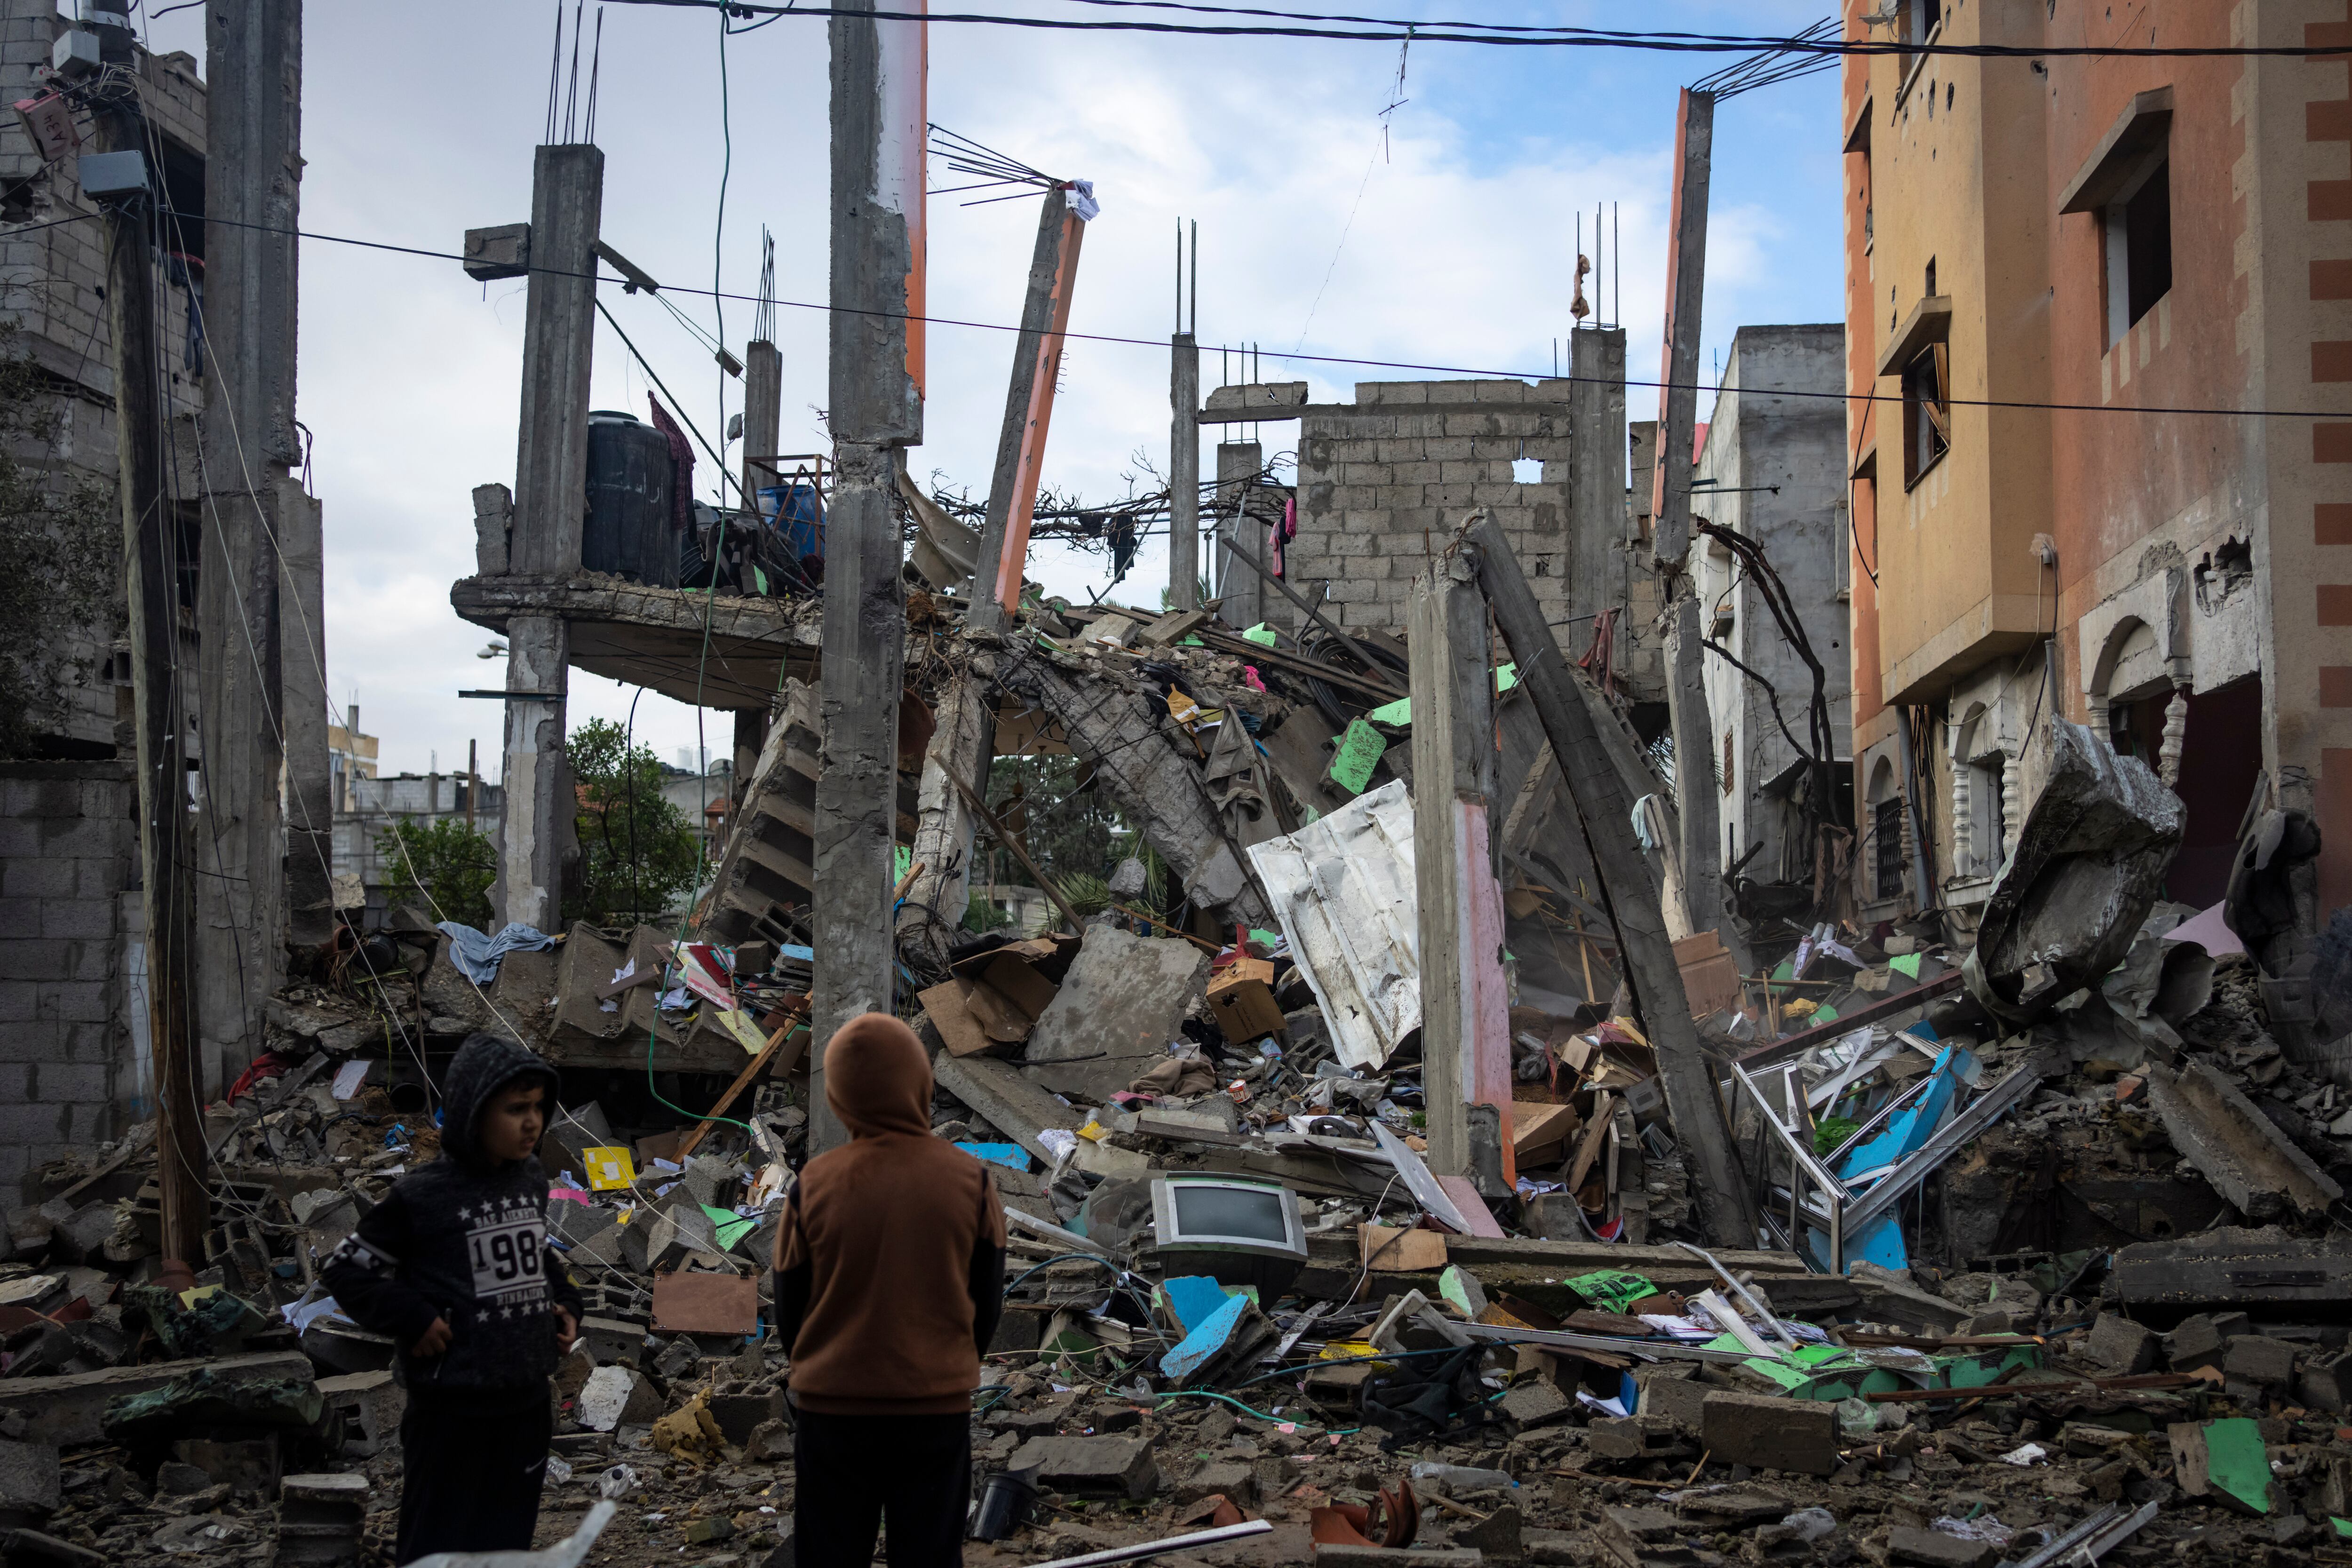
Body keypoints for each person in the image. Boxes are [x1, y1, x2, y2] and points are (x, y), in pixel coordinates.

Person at [322, 1032, 582, 1565]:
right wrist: (411, 1318)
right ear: (471, 1113)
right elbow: (348, 1270)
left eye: (538, 1107)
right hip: (451, 1412)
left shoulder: (530, 1180)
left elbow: (536, 1255)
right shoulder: (424, 1196)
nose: (532, 1122)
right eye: (515, 1109)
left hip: (526, 1403)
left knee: (505, 1543)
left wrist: (564, 1304)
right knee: (439, 1545)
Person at [773, 1014, 1007, 1568]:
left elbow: (790, 1308)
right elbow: (987, 1303)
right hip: (933, 1411)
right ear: (921, 1083)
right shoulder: (971, 1182)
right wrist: (948, 1364)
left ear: (837, 1096)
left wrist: (823, 1367)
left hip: (833, 1415)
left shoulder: (812, 1186)